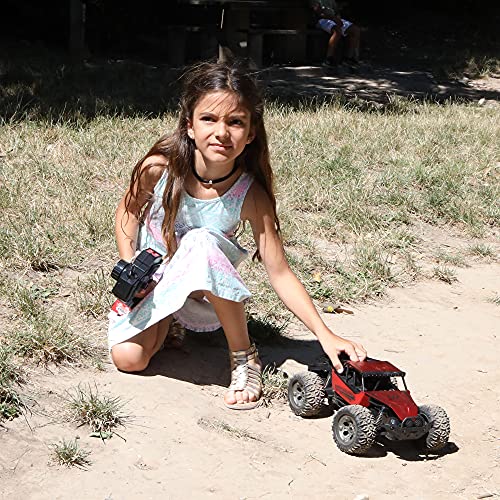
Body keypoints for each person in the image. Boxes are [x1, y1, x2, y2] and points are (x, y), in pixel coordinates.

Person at [108, 60, 367, 410]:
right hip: (155, 281)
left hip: (206, 292)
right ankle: (169, 322)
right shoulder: (159, 167)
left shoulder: (249, 195)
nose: (221, 133)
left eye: (235, 122)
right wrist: (129, 265)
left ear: (251, 132)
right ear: (189, 125)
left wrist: (325, 334)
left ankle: (244, 357)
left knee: (200, 240)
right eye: (209, 119)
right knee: (129, 359)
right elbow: (127, 210)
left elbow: (279, 271)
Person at [310, 0, 361, 68]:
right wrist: (334, 18)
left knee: (355, 30)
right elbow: (318, 14)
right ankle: (328, 59)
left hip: (334, 18)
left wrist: (338, 18)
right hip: (322, 20)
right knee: (337, 31)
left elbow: (336, 11)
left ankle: (348, 58)